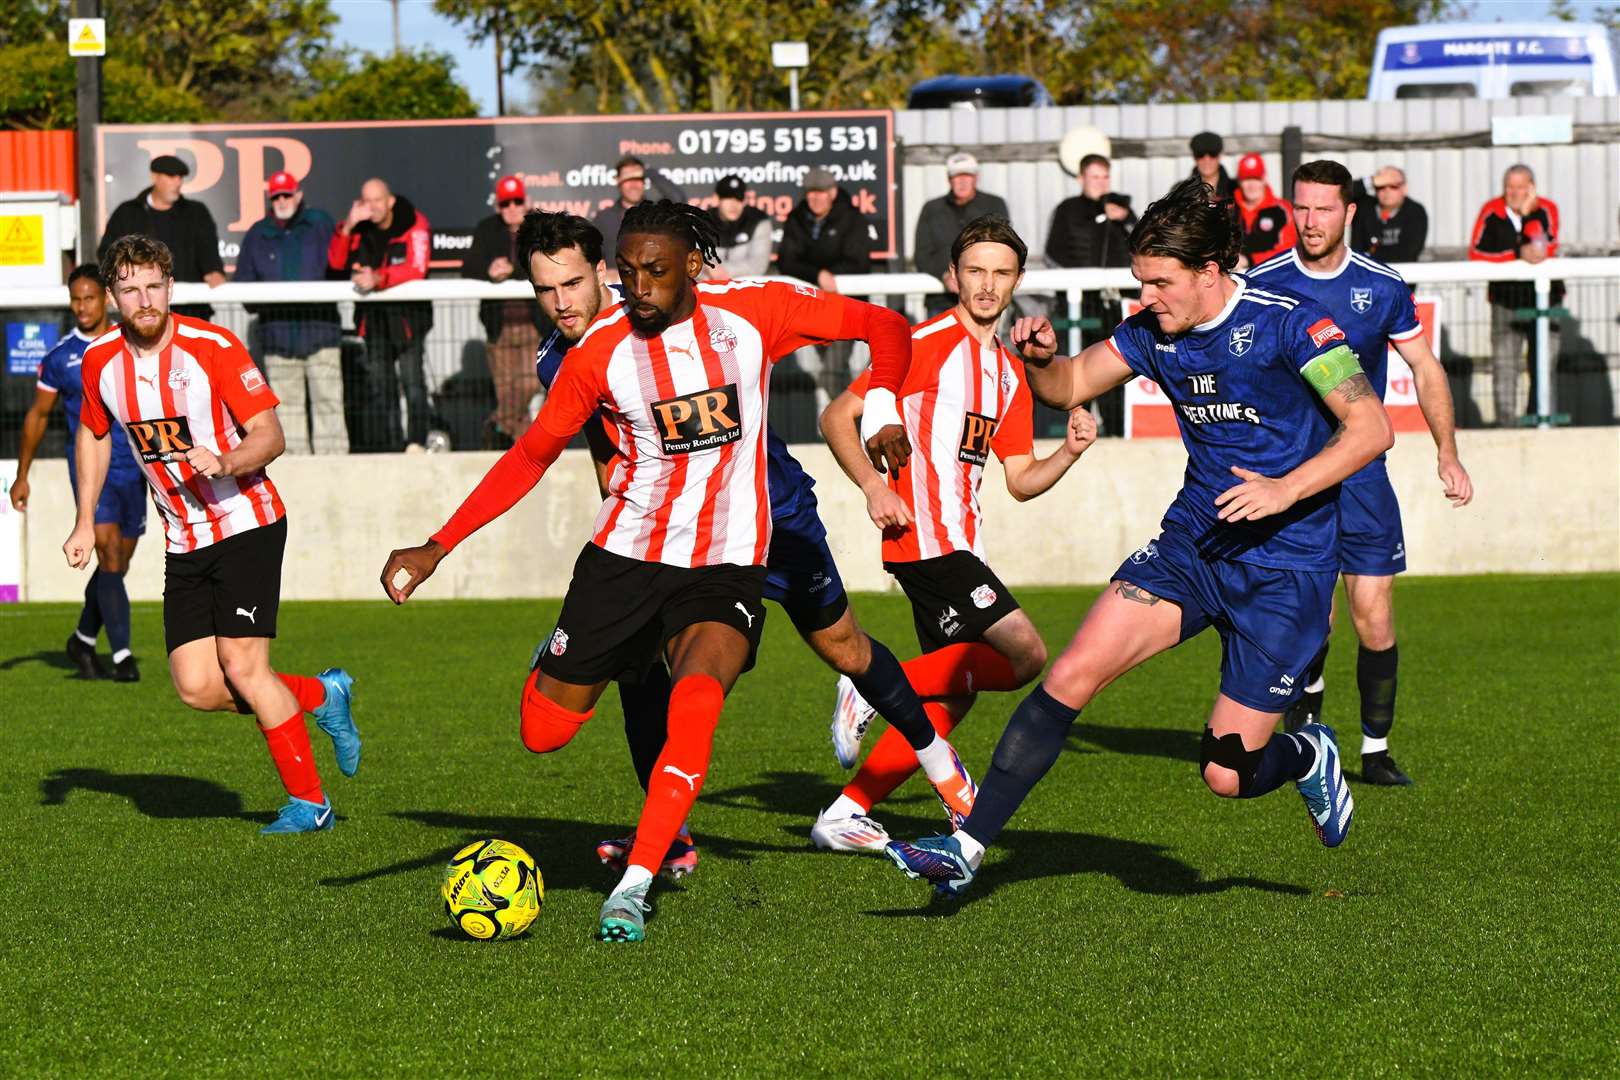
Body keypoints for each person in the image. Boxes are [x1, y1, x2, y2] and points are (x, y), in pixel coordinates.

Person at [379, 201, 970, 944]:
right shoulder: (592, 353)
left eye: (649, 272)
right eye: (626, 274)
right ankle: (605, 682)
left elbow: (884, 327)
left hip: (744, 544)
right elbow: (535, 454)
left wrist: (881, 405)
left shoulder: (756, 311)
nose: (634, 288)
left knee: (752, 676)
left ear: (693, 264)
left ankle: (638, 881)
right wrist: (438, 544)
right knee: (544, 733)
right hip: (629, 557)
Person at [886, 178, 1396, 898]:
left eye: (1160, 282)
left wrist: (1284, 489)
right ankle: (966, 848)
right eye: (1141, 281)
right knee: (1069, 675)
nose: (1147, 296)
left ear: (1210, 272)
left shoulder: (1295, 325)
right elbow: (1068, 386)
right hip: (1193, 547)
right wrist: (1039, 357)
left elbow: (1371, 428)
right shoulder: (1152, 332)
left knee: (1227, 773)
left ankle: (1308, 755)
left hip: (1287, 572)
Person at [520, 208, 981, 875]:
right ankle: (669, 839)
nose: (560, 303)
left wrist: (880, 403)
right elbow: (604, 446)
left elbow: (830, 322)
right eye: (543, 291)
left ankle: (948, 776)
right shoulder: (561, 358)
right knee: (641, 674)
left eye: (571, 284)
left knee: (845, 646)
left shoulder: (683, 301)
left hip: (774, 514)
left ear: (603, 274)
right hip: (675, 541)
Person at [814, 216, 1099, 851]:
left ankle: (844, 811)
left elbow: (1020, 479)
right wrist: (873, 485)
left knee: (948, 704)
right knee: (1025, 653)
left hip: (962, 544)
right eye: (975, 270)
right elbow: (839, 415)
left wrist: (1071, 453)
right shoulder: (922, 344)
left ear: (1018, 280)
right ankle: (866, 687)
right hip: (924, 539)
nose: (987, 284)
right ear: (954, 275)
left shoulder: (1006, 371)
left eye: (1001, 272)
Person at [63, 235, 360, 835]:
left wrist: (225, 461)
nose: (143, 299)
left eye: (153, 286)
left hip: (245, 519)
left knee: (244, 667)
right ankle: (321, 696)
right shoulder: (101, 363)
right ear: (114, 296)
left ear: (170, 286)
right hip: (183, 537)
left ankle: (311, 803)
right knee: (198, 687)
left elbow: (269, 435)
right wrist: (81, 518)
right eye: (129, 289)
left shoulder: (213, 346)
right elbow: (94, 434)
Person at [1251, 159, 1474, 786]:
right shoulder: (1263, 283)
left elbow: (1426, 369)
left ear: (1350, 213)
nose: (1310, 220)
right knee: (1308, 620)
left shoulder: (1381, 286)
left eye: (1324, 209)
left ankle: (1374, 752)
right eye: (1302, 207)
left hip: (1362, 477)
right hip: (1293, 477)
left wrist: (1447, 452)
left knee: (1372, 615)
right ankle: (1307, 734)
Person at [12, 264, 144, 682]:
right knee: (106, 552)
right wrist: (22, 474)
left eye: (89, 298)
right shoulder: (60, 358)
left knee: (117, 562)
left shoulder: (132, 343)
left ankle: (83, 638)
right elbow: (37, 415)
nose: (82, 307)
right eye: (75, 299)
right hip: (92, 467)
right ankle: (123, 656)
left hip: (136, 469)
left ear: (105, 297)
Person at [234, 170, 346, 455]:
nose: (283, 200)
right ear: (271, 200)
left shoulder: (320, 224)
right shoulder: (258, 234)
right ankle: (298, 475)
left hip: (321, 333)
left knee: (329, 403)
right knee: (289, 410)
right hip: (278, 338)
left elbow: (340, 266)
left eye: (287, 194)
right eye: (277, 196)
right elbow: (244, 288)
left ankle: (334, 469)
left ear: (299, 194)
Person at [328, 177, 433, 451]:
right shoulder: (358, 228)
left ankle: (417, 442)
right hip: (373, 321)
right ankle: (393, 444)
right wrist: (349, 225)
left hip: (408, 319)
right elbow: (336, 263)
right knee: (383, 387)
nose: (372, 207)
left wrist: (379, 277)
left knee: (413, 383)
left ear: (390, 201)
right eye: (366, 201)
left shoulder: (415, 222)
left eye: (377, 200)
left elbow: (417, 268)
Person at [1045, 152, 1139, 433]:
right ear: (1081, 178)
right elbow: (1052, 254)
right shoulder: (1067, 210)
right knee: (1076, 369)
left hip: (1113, 306)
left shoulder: (1123, 209)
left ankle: (1116, 432)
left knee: (1114, 371)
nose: (1101, 182)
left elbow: (1141, 247)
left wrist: (1124, 221)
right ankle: (1076, 430)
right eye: (1095, 176)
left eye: (1105, 176)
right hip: (1077, 306)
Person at [1469, 164, 1562, 427]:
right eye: (1510, 186)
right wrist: (1516, 255)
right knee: (1505, 366)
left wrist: (1528, 217)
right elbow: (1476, 252)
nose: (1514, 192)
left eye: (1521, 187)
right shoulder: (1491, 211)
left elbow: (1547, 247)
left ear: (1532, 186)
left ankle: (1542, 422)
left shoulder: (1546, 209)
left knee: (1544, 365)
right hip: (1505, 300)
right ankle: (1505, 425)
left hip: (1546, 299)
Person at [464, 175, 546, 446]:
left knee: (527, 384)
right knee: (507, 392)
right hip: (498, 327)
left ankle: (495, 424)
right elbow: (469, 267)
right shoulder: (487, 229)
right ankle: (520, 457)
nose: (512, 208)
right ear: (498, 206)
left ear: (526, 202)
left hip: (532, 325)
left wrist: (513, 271)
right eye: (505, 203)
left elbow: (547, 265)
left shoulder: (537, 229)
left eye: (517, 201)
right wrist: (489, 271)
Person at [99, 154, 224, 318]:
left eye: (180, 177)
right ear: (155, 177)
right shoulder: (128, 213)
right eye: (172, 176)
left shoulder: (196, 213)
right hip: (142, 309)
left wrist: (213, 270)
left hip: (190, 312)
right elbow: (107, 254)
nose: (177, 182)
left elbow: (208, 253)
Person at [914, 152, 1009, 316]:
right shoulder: (932, 209)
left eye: (968, 175)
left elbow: (1004, 249)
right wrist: (945, 275)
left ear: (976, 177)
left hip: (984, 297)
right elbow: (922, 255)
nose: (963, 181)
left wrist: (976, 277)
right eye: (957, 176)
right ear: (949, 179)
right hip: (942, 301)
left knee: (983, 342)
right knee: (940, 342)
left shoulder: (994, 205)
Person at [777, 167, 877, 293]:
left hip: (847, 298)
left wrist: (829, 275)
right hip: (806, 299)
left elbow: (858, 262)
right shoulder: (795, 219)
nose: (816, 198)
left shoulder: (852, 218)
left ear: (833, 193)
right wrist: (818, 275)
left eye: (821, 192)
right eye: (811, 192)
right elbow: (786, 262)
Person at [593, 155, 688, 266]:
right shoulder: (604, 218)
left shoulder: (656, 212)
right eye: (628, 180)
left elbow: (678, 199)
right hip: (616, 281)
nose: (634, 185)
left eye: (638, 179)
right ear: (618, 181)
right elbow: (593, 255)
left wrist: (648, 172)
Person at [1350, 166, 1427, 264]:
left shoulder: (1415, 212)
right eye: (1381, 186)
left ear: (1404, 188)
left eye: (1393, 186)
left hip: (1400, 275)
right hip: (1364, 275)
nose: (1387, 191)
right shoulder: (1364, 207)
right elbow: (1340, 195)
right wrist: (1371, 181)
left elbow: (1409, 254)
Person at [1233, 154, 1296, 268]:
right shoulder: (1229, 210)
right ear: (1239, 182)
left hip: (1275, 278)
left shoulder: (1282, 210)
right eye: (1246, 179)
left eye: (1256, 179)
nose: (1251, 185)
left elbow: (1288, 253)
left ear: (1264, 179)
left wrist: (1249, 260)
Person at [704, 176, 774, 279]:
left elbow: (758, 265)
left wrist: (720, 270)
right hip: (708, 286)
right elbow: (693, 262)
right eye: (728, 198)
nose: (733, 205)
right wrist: (707, 269)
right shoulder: (702, 222)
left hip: (747, 287)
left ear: (745, 200)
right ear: (716, 199)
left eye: (738, 199)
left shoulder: (758, 221)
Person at [1188, 132, 1235, 204]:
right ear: (1194, 157)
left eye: (1213, 154)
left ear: (1220, 156)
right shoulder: (1182, 191)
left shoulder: (1235, 189)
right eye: (1200, 154)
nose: (1207, 160)